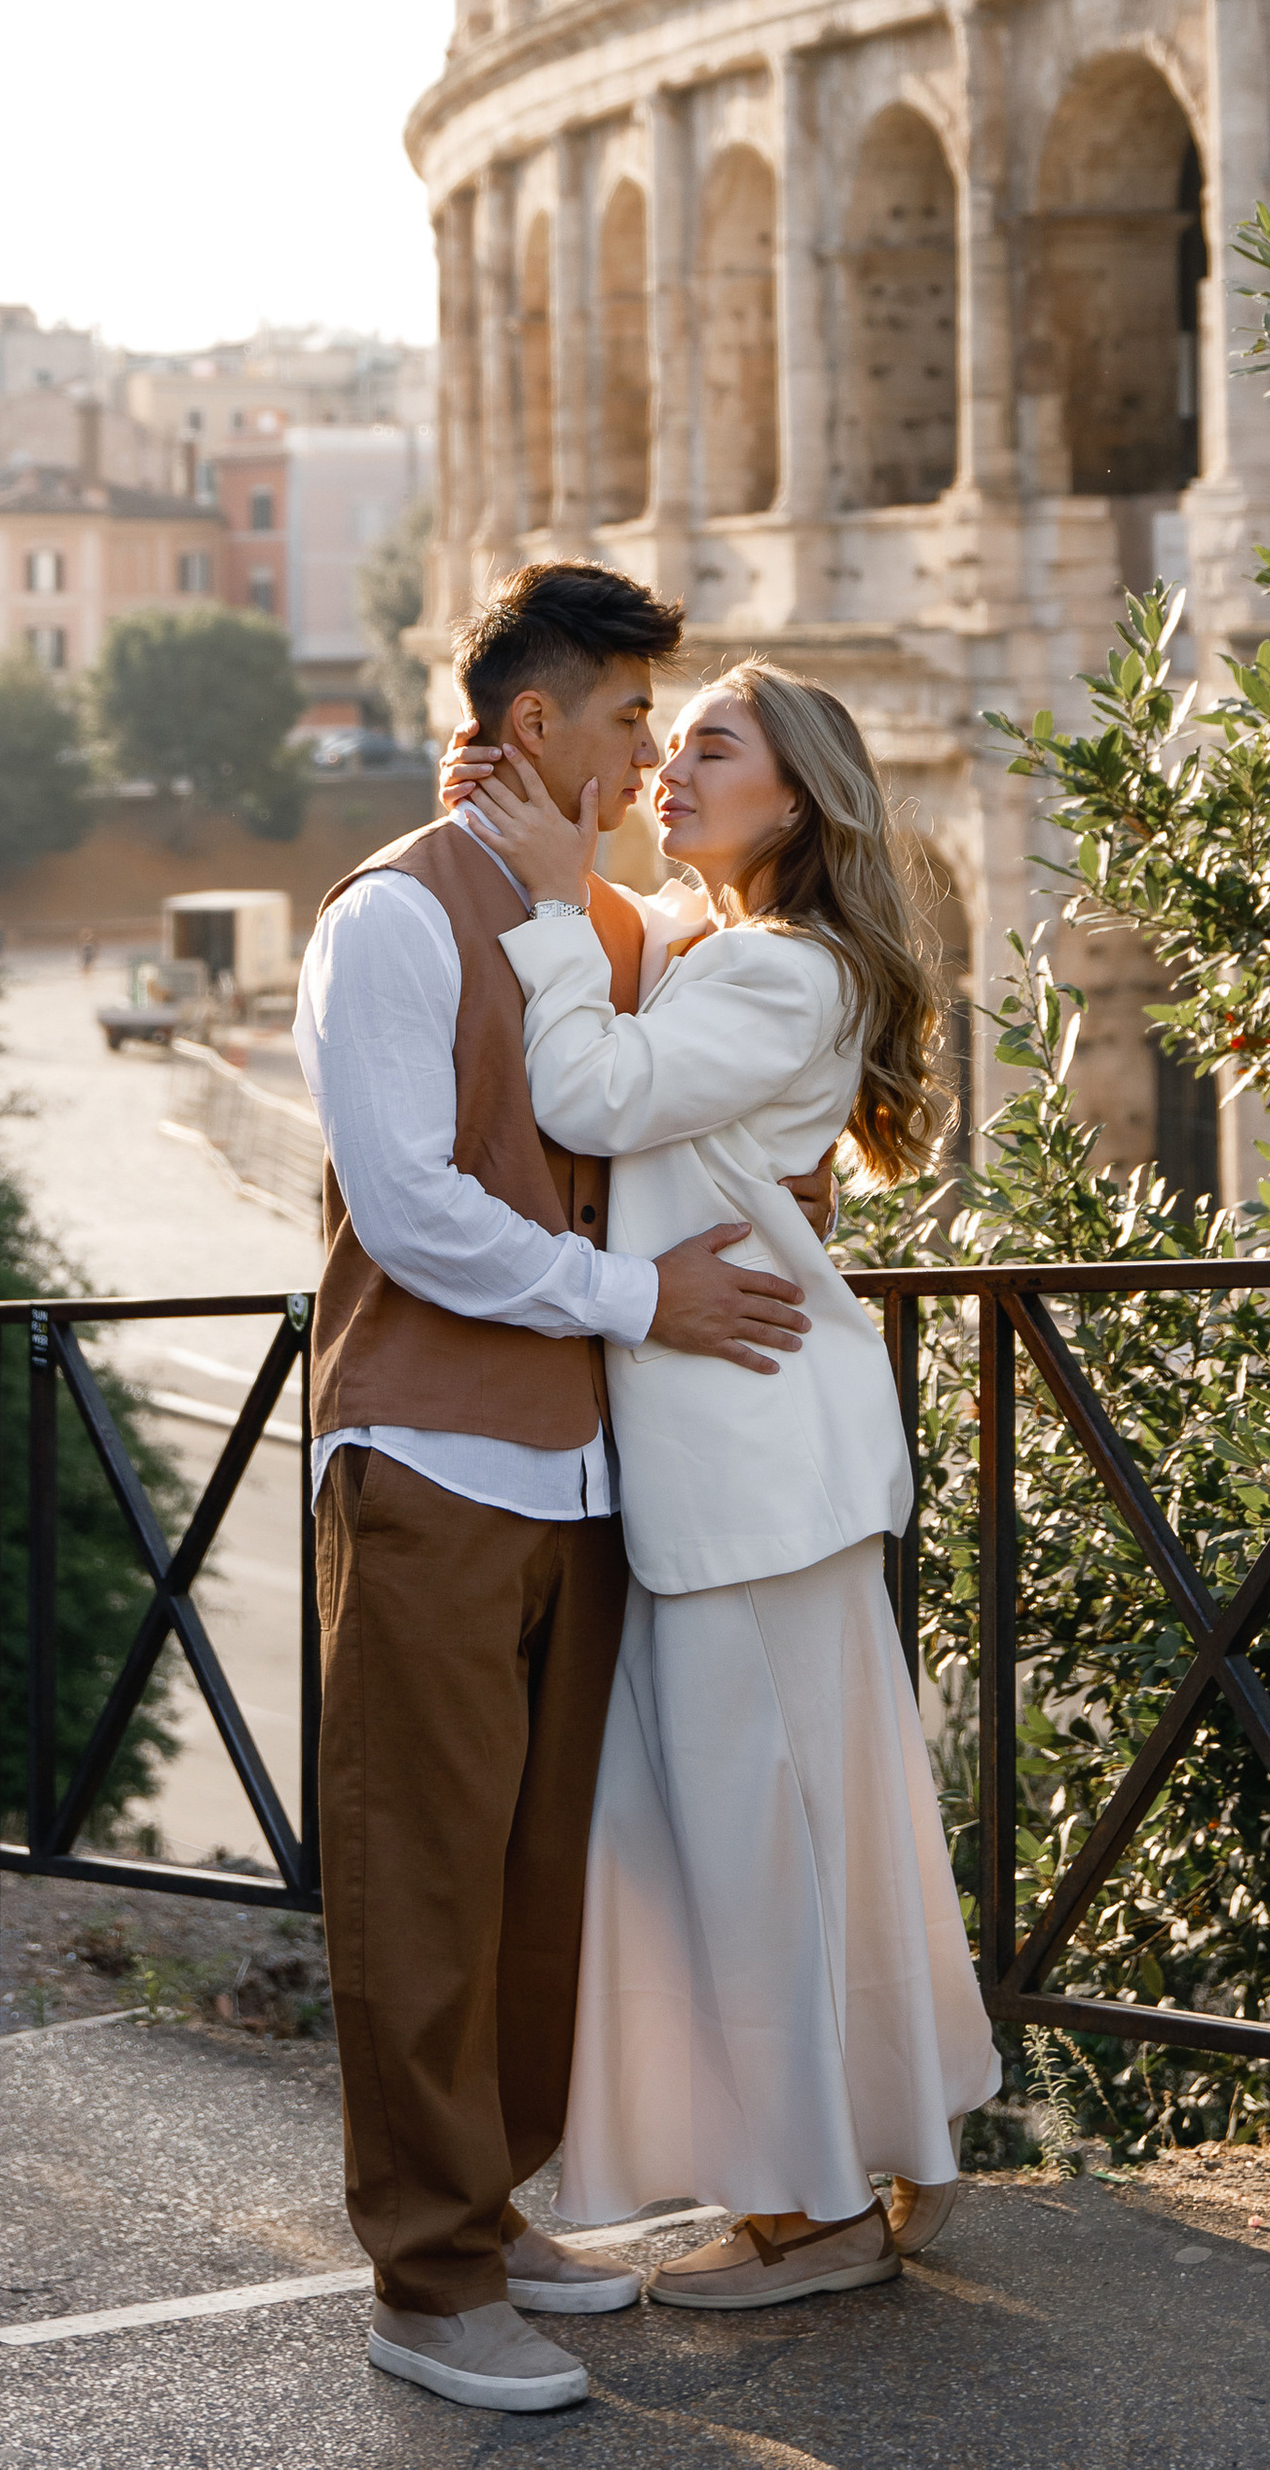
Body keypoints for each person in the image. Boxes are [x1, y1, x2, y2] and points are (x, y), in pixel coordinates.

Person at [295, 561, 823, 2417]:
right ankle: (427, 2287)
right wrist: (639, 1297)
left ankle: (492, 2206)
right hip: (430, 1457)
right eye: (624, 720)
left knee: (532, 1885)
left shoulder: (586, 921)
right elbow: (416, 1202)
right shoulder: (391, 917)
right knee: (417, 1880)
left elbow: (663, 1118)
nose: (646, 754)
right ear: (538, 726)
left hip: (587, 1471)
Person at [456, 658, 1001, 2310]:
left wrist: (554, 898)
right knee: (788, 1835)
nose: (672, 767)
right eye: (664, 739)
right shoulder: (738, 950)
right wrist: (560, 846)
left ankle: (820, 2219)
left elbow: (590, 1092)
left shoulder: (780, 970)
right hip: (750, 1465)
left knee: (750, 1848)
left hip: (748, 1468)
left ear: (802, 794)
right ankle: (836, 2176)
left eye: (710, 746)